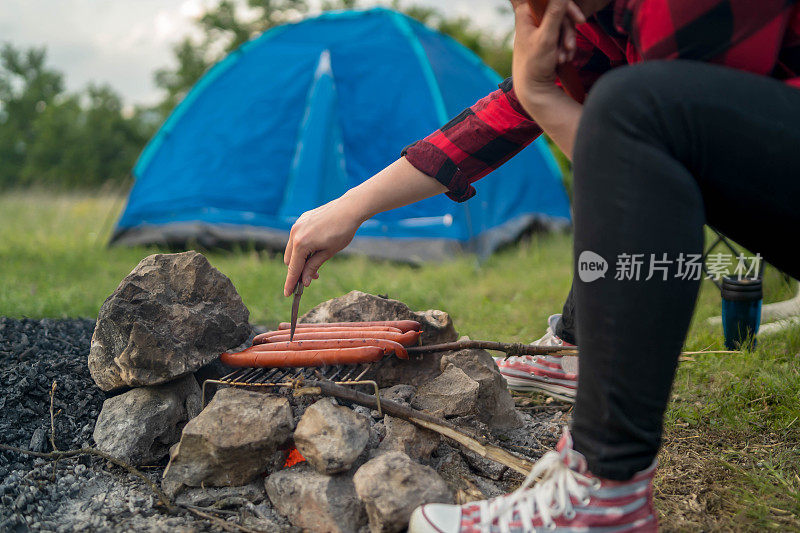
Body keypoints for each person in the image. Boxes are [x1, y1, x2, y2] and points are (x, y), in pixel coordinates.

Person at [284, 0, 800, 530]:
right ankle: (575, 351)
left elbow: (646, 164)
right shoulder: (597, 25)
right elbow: (501, 117)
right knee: (629, 107)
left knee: (630, 109)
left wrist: (541, 96)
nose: (520, 9)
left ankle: (605, 493)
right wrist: (350, 207)